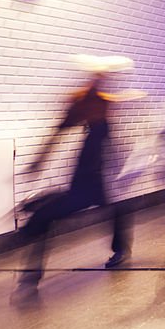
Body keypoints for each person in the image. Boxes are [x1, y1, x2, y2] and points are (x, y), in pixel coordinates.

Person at [13, 56, 140, 301]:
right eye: (98, 76)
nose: (101, 81)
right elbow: (58, 132)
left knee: (117, 208)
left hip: (93, 176)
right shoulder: (83, 102)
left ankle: (119, 250)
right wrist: (39, 160)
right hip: (88, 177)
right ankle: (31, 272)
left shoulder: (99, 103)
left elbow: (74, 130)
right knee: (112, 208)